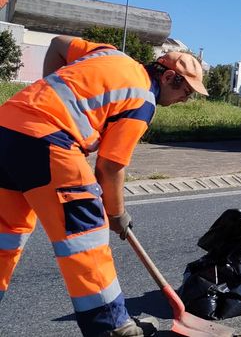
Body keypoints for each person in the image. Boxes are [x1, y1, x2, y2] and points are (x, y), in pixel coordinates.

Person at [0, 36, 208, 337]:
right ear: (167, 77)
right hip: (47, 143)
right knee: (86, 233)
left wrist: (49, 98)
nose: (184, 99)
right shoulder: (143, 98)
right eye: (185, 91)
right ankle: (111, 326)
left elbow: (58, 44)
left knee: (5, 233)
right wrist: (116, 213)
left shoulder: (109, 54)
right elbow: (109, 167)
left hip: (6, 126)